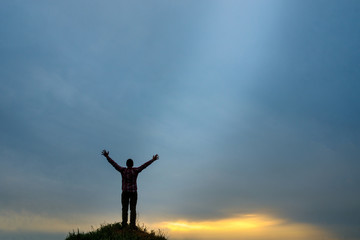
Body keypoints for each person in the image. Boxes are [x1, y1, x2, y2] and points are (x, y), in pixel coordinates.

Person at [101, 149, 159, 228]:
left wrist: (107, 156)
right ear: (132, 164)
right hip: (133, 192)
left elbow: (114, 164)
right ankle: (132, 225)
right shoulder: (135, 171)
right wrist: (153, 160)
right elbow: (144, 165)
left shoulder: (123, 170)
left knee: (124, 208)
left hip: (125, 192)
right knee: (133, 209)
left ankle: (124, 224)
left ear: (126, 164)